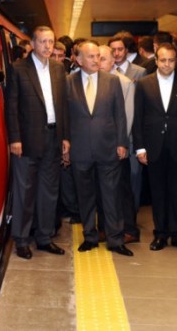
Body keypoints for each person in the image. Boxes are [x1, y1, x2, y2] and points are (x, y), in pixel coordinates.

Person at [5, 25, 70, 260]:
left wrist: (65, 137)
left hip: (53, 139)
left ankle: (44, 238)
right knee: (25, 192)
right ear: (32, 43)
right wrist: (15, 139)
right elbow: (11, 107)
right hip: (27, 141)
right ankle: (21, 240)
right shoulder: (18, 69)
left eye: (51, 42)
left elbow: (63, 105)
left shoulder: (58, 68)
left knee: (49, 192)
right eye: (43, 42)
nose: (48, 46)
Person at [133, 43, 177, 252]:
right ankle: (160, 234)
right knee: (158, 192)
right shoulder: (144, 84)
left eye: (171, 60)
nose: (167, 64)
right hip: (153, 146)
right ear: (156, 61)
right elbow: (138, 118)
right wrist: (140, 147)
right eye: (163, 60)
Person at [66, 40, 132, 256]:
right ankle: (90, 237)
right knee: (85, 196)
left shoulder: (112, 81)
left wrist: (122, 142)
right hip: (80, 150)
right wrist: (65, 144)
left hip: (108, 148)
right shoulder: (68, 83)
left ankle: (115, 239)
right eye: (91, 56)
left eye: (98, 56)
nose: (96, 60)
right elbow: (64, 117)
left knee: (111, 196)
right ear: (79, 60)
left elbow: (120, 114)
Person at [98, 45, 140, 243]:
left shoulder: (124, 83)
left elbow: (129, 116)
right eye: (96, 58)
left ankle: (129, 229)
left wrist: (120, 143)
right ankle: (107, 228)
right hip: (99, 147)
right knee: (102, 190)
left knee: (121, 190)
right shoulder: (94, 81)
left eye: (103, 58)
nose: (99, 62)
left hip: (118, 147)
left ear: (113, 61)